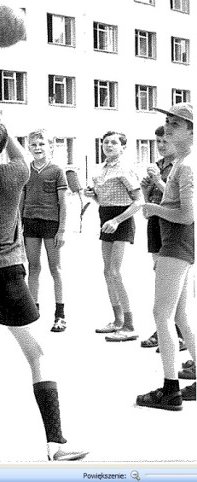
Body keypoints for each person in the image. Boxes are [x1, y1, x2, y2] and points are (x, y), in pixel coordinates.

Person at [0, 107, 87, 462]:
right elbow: (17, 150)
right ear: (3, 142)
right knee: (37, 355)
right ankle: (56, 442)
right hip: (7, 276)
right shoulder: (16, 173)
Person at [137, 102, 195, 409]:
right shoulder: (182, 162)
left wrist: (154, 209)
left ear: (190, 130)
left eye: (176, 123)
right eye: (168, 122)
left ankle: (170, 389)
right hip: (179, 244)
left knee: (162, 315)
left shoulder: (185, 166)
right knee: (180, 315)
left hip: (176, 243)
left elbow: (187, 215)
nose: (168, 127)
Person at [84, 131, 142, 342]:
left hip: (122, 219)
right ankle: (117, 321)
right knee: (107, 272)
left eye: (114, 142)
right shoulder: (100, 170)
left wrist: (117, 220)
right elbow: (103, 201)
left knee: (115, 272)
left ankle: (129, 324)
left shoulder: (126, 169)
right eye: (106, 142)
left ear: (122, 147)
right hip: (105, 218)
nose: (109, 145)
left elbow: (138, 201)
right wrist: (93, 196)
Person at [139, 126, 186, 352]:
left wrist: (157, 181)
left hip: (174, 224)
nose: (161, 145)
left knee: (175, 283)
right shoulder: (158, 165)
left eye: (164, 141)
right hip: (155, 223)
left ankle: (178, 331)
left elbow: (174, 198)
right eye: (158, 141)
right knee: (160, 276)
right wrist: (145, 188)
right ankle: (164, 329)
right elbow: (147, 202)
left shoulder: (182, 166)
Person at [21, 129, 68, 332]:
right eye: (34, 144)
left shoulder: (57, 170)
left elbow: (63, 203)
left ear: (50, 146)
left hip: (51, 224)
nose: (38, 148)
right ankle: (33, 310)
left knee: (55, 269)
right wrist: (18, 225)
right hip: (30, 222)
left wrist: (62, 230)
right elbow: (20, 200)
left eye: (42, 144)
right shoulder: (26, 170)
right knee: (33, 267)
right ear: (28, 147)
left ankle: (60, 314)